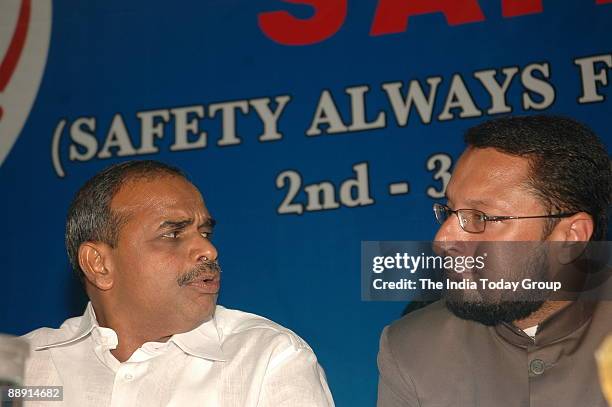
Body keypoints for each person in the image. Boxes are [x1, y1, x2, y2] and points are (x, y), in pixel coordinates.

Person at [22, 160, 334, 406]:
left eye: (206, 233)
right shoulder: (20, 369)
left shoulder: (266, 359)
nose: (209, 250)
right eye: (173, 234)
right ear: (99, 264)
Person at [377, 115, 612, 406]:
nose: (442, 239)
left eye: (480, 218)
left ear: (571, 236)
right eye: (450, 211)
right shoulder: (411, 349)